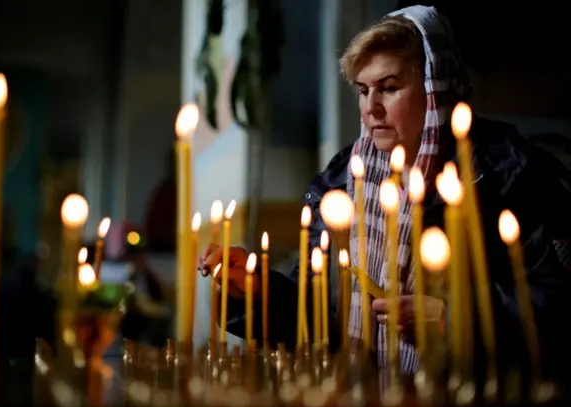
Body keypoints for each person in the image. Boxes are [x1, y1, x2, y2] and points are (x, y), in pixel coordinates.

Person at [198, 5, 571, 380]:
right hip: (359, 394)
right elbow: (316, 311)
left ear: (433, 89)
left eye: (389, 88)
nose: (371, 108)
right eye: (363, 91)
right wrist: (257, 292)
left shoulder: (504, 174)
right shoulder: (342, 182)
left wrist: (454, 319)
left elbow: (557, 306)